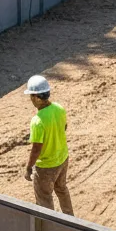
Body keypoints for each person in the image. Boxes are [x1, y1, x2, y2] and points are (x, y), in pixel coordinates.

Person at [23, 74, 73, 214]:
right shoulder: (59, 108)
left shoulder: (37, 121)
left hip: (46, 166)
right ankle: (70, 218)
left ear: (36, 97)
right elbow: (64, 127)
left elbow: (36, 149)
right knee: (62, 189)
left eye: (31, 96)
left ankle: (50, 224)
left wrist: (29, 167)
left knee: (44, 198)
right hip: (62, 158)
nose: (31, 99)